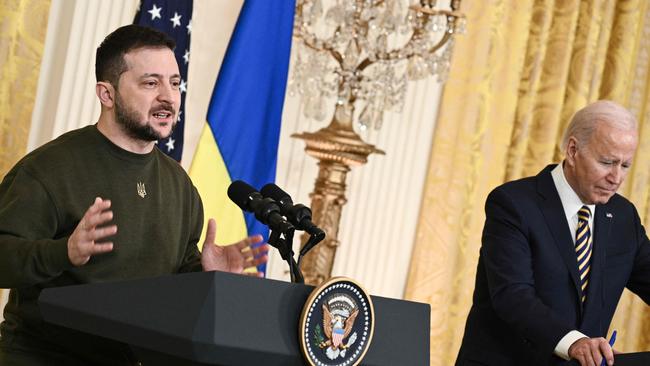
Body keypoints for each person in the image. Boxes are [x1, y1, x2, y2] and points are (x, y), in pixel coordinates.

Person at [0, 25, 269, 365]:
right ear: (107, 94)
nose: (168, 97)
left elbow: (169, 281)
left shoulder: (180, 185)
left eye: (174, 83)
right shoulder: (50, 168)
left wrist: (207, 277)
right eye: (150, 82)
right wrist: (63, 253)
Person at [456, 100, 650, 366]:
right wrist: (575, 343)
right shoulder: (514, 204)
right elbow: (513, 295)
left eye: (625, 165)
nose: (616, 177)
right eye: (607, 162)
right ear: (573, 150)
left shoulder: (623, 216)